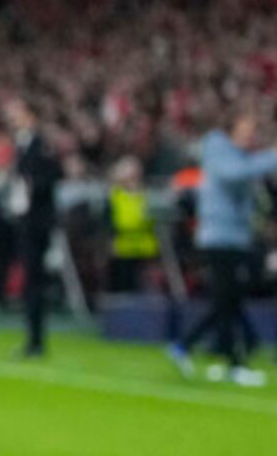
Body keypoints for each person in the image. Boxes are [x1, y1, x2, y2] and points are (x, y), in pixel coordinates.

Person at [171, 110, 277, 387]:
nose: (250, 136)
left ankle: (189, 346)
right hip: (219, 236)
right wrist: (272, 156)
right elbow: (235, 174)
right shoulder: (218, 150)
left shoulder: (240, 156)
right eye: (245, 130)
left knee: (228, 299)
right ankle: (232, 362)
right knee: (227, 298)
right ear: (231, 130)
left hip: (236, 237)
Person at [3, 98, 63, 358]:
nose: (12, 118)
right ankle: (33, 339)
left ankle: (36, 340)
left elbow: (54, 175)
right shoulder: (22, 145)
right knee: (30, 279)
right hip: (26, 219)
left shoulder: (40, 145)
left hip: (38, 222)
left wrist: (33, 186)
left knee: (35, 280)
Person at [105, 159, 156, 299]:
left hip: (145, 247)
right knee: (123, 284)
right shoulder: (114, 195)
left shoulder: (146, 195)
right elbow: (108, 223)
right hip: (122, 247)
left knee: (143, 285)